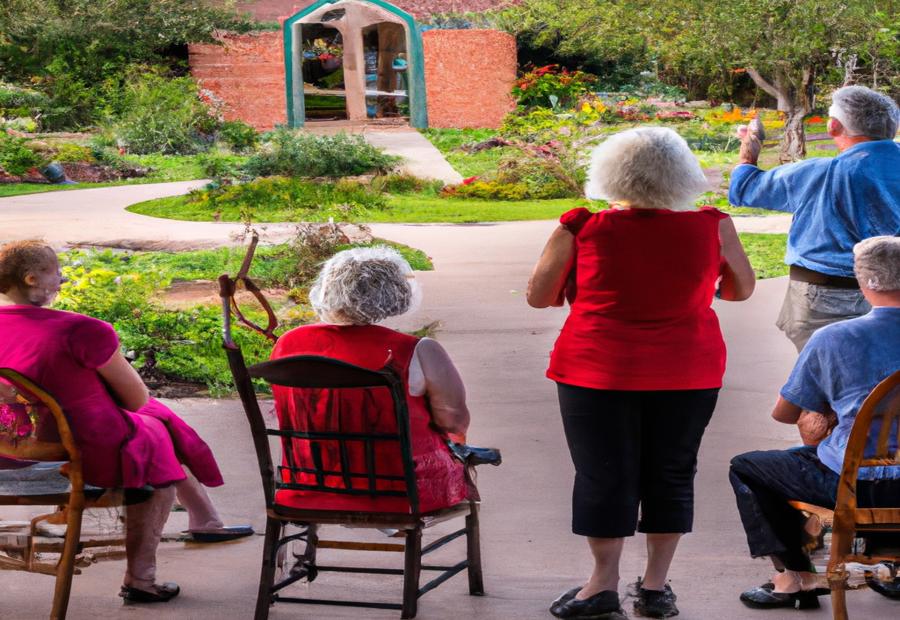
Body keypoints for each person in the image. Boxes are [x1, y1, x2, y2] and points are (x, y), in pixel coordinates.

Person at [528, 127, 756, 619]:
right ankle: (655, 588)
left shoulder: (581, 226)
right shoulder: (713, 226)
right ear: (683, 174)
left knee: (602, 473)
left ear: (609, 173)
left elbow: (539, 295)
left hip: (596, 368)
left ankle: (602, 585)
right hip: (688, 369)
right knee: (672, 472)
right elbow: (740, 290)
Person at [0, 240, 253, 605]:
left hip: (8, 443)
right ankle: (142, 577)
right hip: (73, 448)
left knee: (155, 423)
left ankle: (206, 517)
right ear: (32, 278)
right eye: (57, 271)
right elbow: (137, 399)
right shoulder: (83, 330)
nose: (62, 278)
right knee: (152, 432)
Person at [730, 236, 900, 610]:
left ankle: (795, 578)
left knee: (749, 468)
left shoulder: (835, 338)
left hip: (860, 488)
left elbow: (785, 413)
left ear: (864, 283)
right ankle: (891, 559)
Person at [269, 246, 470, 514]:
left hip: (309, 482)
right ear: (396, 293)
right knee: (459, 447)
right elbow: (453, 421)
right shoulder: (415, 350)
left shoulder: (290, 343)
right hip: (398, 489)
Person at [729, 85, 900, 352]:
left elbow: (745, 189)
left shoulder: (818, 173)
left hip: (821, 300)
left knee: (822, 381)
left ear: (833, 126)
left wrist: (749, 148)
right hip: (892, 295)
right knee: (882, 384)